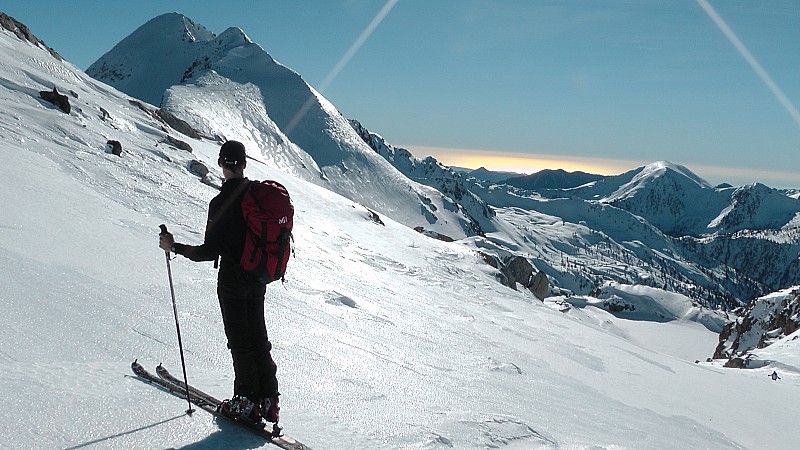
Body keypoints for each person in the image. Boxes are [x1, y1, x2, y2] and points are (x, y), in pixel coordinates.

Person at [158, 140, 280, 425]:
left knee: (240, 342)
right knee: (258, 340)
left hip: (232, 280)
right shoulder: (256, 197)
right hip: (257, 278)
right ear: (245, 164)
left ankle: (246, 401)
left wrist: (173, 247)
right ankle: (268, 400)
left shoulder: (221, 202)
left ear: (221, 164)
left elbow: (209, 252)